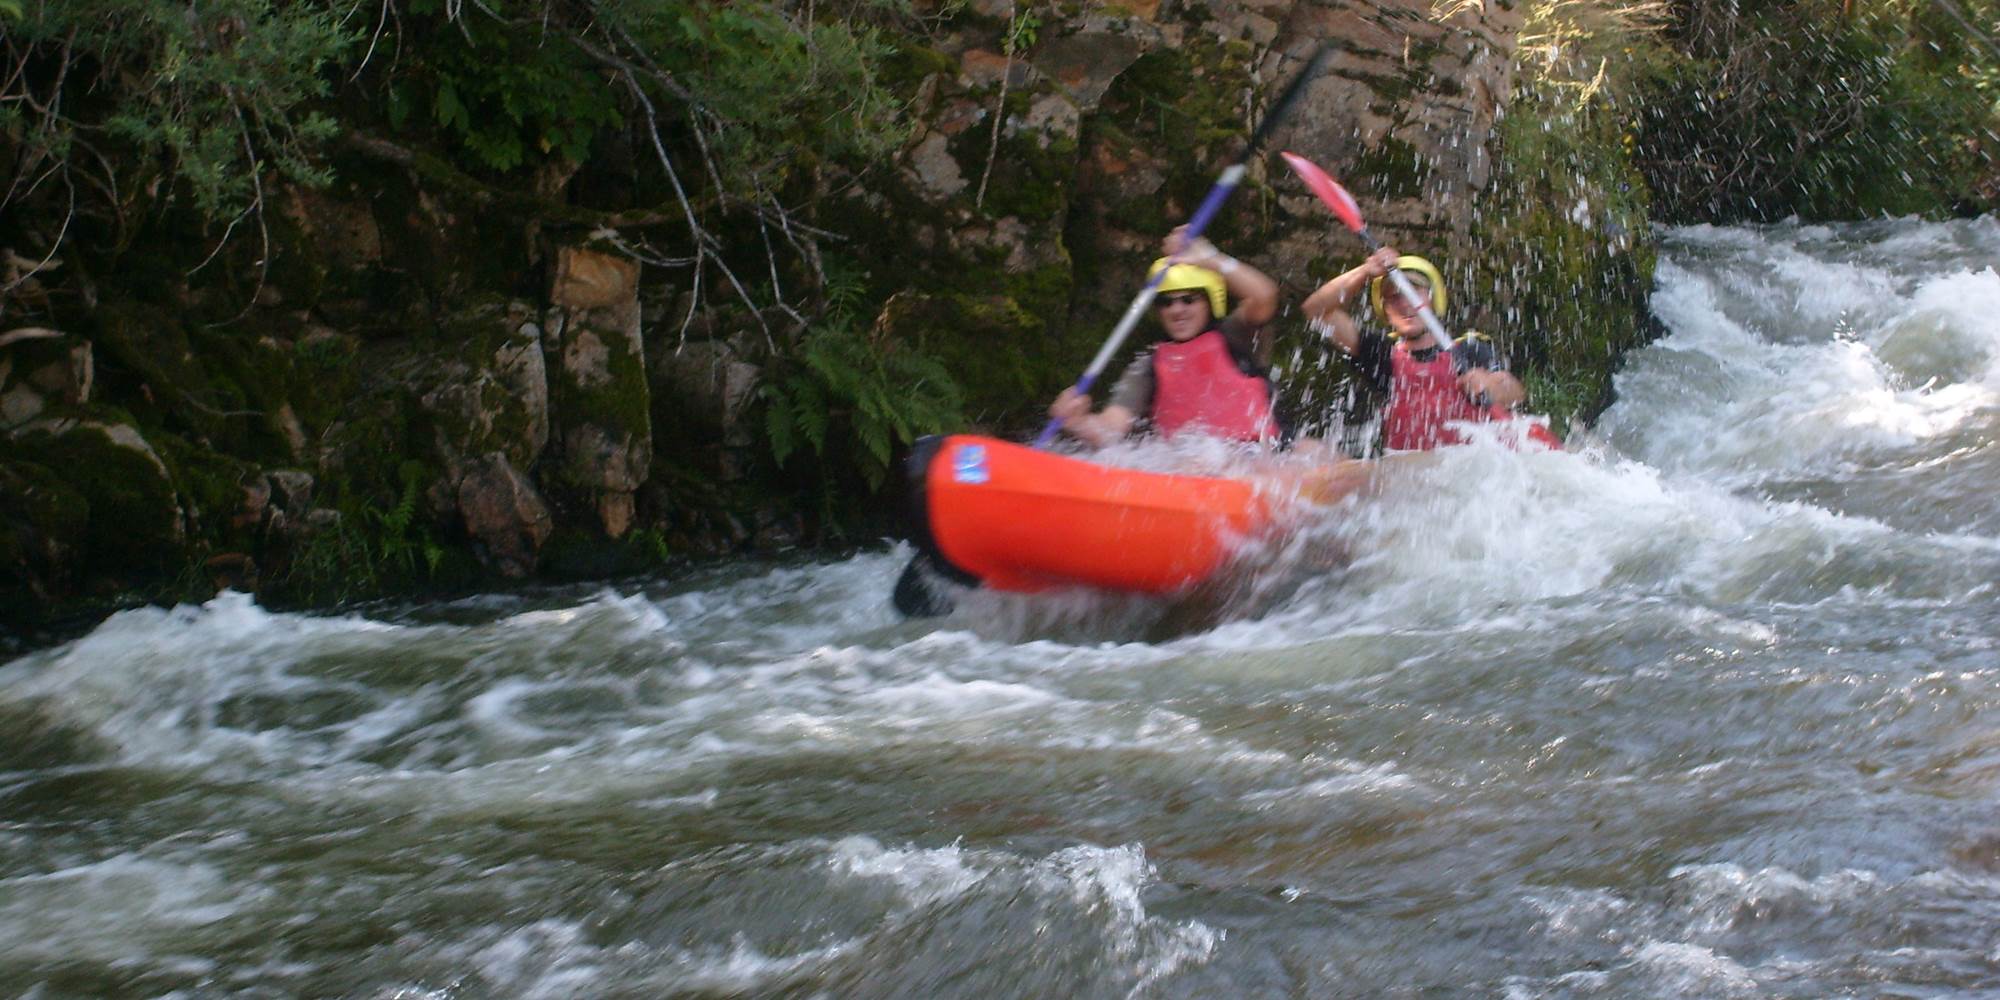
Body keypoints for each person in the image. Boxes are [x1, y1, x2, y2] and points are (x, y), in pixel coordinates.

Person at [1048, 226, 1282, 447]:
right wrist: (1078, 422)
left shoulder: (1233, 333)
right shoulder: (1147, 366)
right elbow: (1110, 428)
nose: (1177, 310)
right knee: (1195, 462)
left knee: (1308, 448)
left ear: (1210, 303)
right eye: (1165, 302)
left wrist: (1211, 258)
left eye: (1189, 299)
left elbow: (1265, 296)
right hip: (1193, 467)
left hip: (1256, 456)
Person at [1302, 247, 1527, 451]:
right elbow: (1315, 311)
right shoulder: (1380, 356)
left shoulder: (1469, 349)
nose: (1405, 303)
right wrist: (1364, 272)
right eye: (1394, 297)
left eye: (1414, 291)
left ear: (1431, 299)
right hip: (1413, 476)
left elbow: (1515, 393)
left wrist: (1490, 385)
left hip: (1472, 471)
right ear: (1386, 311)